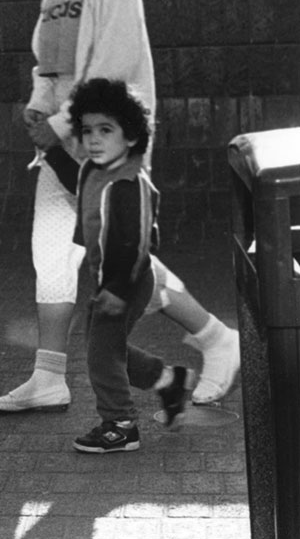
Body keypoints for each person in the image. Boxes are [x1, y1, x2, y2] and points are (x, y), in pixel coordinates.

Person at [0, 0, 238, 413]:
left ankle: (217, 338)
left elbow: (113, 65)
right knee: (52, 252)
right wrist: (38, 106)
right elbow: (47, 59)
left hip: (104, 142)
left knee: (120, 254)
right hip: (58, 142)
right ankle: (49, 375)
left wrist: (58, 122)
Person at [38, 79, 194, 453]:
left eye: (106, 130)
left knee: (101, 354)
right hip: (108, 279)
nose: (93, 139)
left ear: (130, 137)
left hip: (130, 279)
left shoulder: (129, 184)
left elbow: (137, 244)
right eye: (87, 130)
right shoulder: (96, 170)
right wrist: (52, 151)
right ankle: (170, 380)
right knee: (106, 347)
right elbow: (79, 185)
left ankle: (121, 423)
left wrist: (118, 290)